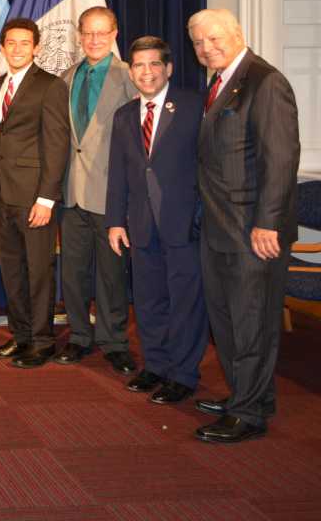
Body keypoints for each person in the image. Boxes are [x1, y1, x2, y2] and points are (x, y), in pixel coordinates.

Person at [189, 9, 300, 444]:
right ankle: (250, 395)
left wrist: (268, 224)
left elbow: (281, 160)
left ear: (237, 34)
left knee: (252, 322)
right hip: (218, 227)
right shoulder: (218, 83)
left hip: (253, 232)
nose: (206, 48)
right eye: (198, 42)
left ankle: (248, 414)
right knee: (228, 321)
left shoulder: (265, 81)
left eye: (214, 39)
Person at [105, 36, 208, 405]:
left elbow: (209, 167)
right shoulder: (124, 116)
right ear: (130, 71)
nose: (146, 72)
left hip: (185, 225)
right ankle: (156, 366)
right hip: (141, 226)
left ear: (168, 69)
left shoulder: (194, 107)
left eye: (153, 65)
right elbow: (118, 173)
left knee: (185, 302)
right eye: (138, 66)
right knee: (148, 302)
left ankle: (183, 375)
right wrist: (115, 221)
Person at [0, 18, 71, 368]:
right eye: (10, 43)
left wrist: (47, 198)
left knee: (38, 271)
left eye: (24, 43)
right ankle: (20, 338)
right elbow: (1, 138)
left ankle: (42, 342)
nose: (17, 49)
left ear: (36, 47)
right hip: (3, 194)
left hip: (35, 197)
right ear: (2, 48)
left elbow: (57, 143)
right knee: (13, 272)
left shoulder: (50, 86)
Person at [54, 7, 139, 375]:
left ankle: (114, 340)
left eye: (102, 33)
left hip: (111, 194)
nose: (94, 40)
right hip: (71, 193)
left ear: (115, 33)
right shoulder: (66, 77)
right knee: (72, 272)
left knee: (111, 273)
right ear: (78, 34)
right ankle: (78, 336)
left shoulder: (130, 77)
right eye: (88, 33)